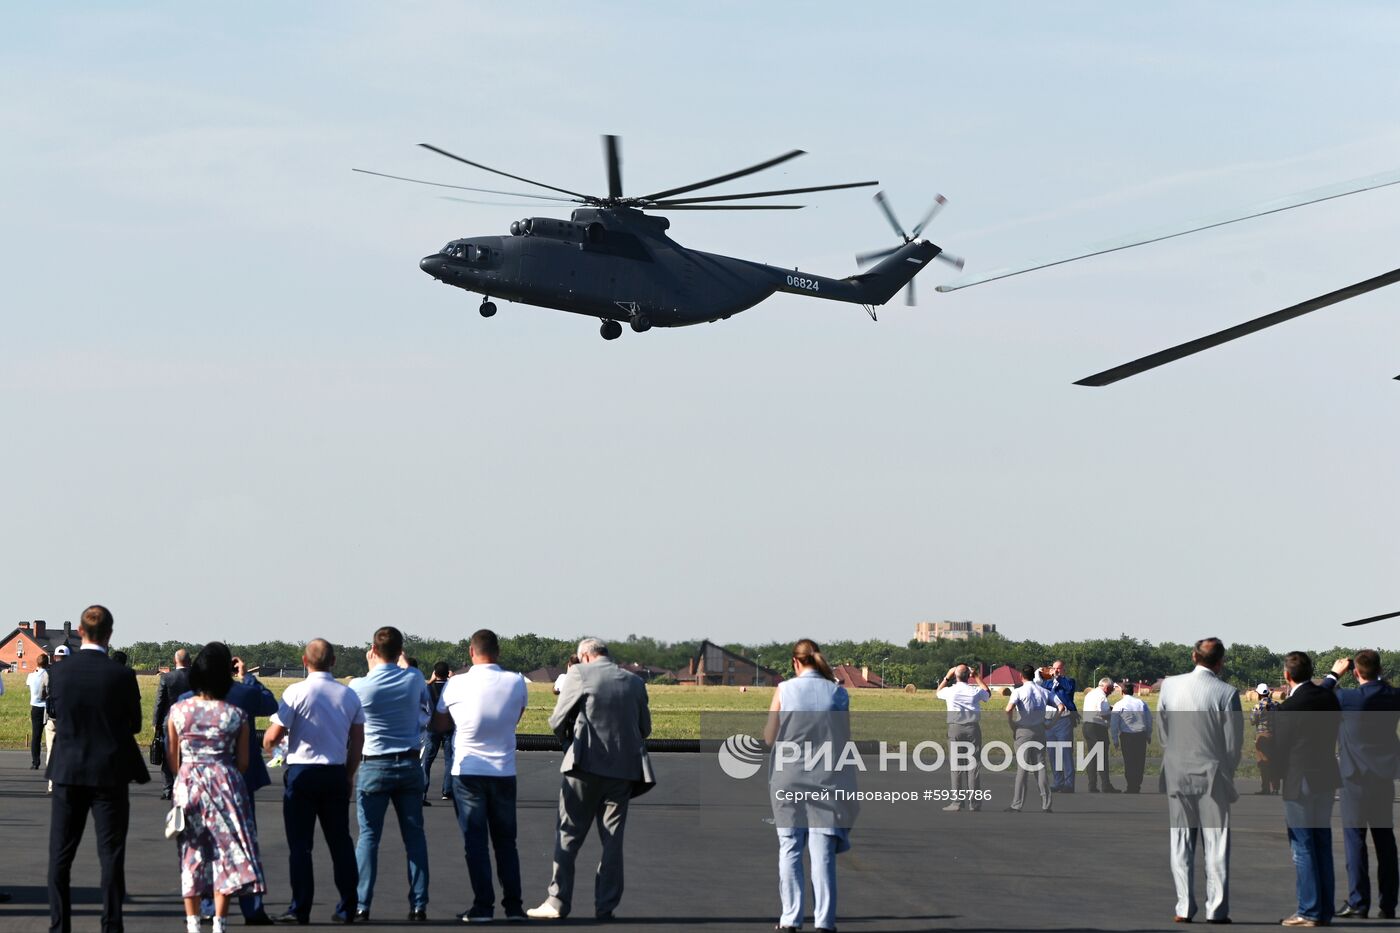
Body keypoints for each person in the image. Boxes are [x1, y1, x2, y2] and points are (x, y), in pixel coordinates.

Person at [527, 637, 653, 921]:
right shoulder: (635, 683)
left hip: (584, 767)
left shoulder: (578, 674)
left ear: (584, 656)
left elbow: (556, 719)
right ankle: (605, 905)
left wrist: (569, 742)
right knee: (612, 840)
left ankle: (557, 900)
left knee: (569, 834)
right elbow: (644, 728)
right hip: (622, 772)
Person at [45, 604, 149, 933]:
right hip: (109, 772)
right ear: (110, 634)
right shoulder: (122, 675)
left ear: (80, 631)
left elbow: (55, 712)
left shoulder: (59, 673)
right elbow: (134, 724)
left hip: (68, 770)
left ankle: (60, 926)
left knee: (60, 856)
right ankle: (111, 925)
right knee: (111, 855)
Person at [262, 639, 365, 925]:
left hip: (302, 773)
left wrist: (277, 749)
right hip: (334, 772)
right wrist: (348, 774)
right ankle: (347, 907)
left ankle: (301, 907)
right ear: (333, 662)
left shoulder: (296, 692)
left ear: (304, 661)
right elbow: (357, 743)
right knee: (340, 842)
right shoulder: (348, 696)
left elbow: (271, 736)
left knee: (300, 846)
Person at [167, 642, 266, 933]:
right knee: (227, 852)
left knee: (192, 853)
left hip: (190, 782)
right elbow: (244, 762)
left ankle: (193, 922)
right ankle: (220, 923)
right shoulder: (236, 714)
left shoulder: (179, 711)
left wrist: (187, 774)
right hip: (226, 782)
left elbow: (174, 759)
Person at [433, 629, 529, 923]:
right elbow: (516, 716)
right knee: (506, 842)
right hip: (503, 770)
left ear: (471, 652)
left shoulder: (456, 683)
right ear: (497, 652)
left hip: (468, 771)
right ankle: (513, 907)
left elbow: (439, 724)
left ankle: (483, 906)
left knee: (475, 842)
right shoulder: (516, 682)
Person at [760, 639, 853, 933]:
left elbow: (769, 737)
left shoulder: (785, 689)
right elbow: (843, 737)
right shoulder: (838, 692)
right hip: (825, 779)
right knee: (822, 851)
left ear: (795, 662)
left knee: (790, 847)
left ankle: (791, 918)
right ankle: (825, 921)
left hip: (788, 777)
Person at [341, 626, 432, 923]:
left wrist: (372, 667)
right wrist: (397, 662)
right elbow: (419, 693)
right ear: (401, 651)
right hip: (407, 764)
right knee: (414, 836)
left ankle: (361, 904)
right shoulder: (414, 678)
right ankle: (419, 904)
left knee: (368, 837)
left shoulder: (359, 686)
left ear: (373, 651)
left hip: (373, 764)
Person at [1157, 637, 1243, 924]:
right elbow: (1233, 743)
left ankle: (1183, 906)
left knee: (1180, 840)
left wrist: (1174, 757)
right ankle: (1216, 909)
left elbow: (1164, 729)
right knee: (1216, 842)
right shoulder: (1227, 693)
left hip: (1177, 771)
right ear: (1220, 662)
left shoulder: (1169, 685)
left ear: (1194, 656)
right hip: (1212, 773)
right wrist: (1226, 770)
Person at [1322, 651, 1400, 920]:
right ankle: (1388, 903)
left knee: (1355, 841)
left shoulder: (1350, 698)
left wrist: (1334, 674)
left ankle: (1359, 901)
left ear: (1356, 672)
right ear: (1379, 669)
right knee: (1385, 841)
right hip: (1383, 777)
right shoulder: (1392, 695)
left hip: (1354, 778)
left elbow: (1321, 695)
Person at [1269, 651, 1342, 928]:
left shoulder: (1289, 707)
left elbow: (1280, 747)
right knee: (1322, 843)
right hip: (1326, 776)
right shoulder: (1329, 698)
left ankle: (1309, 910)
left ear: (1287, 676)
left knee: (1303, 847)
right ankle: (1324, 909)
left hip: (1300, 781)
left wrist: (1275, 777)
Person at [1005, 664, 1065, 813]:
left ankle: (1017, 804)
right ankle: (1046, 803)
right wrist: (1051, 723)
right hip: (1039, 730)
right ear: (1034, 675)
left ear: (1021, 676)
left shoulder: (1018, 691)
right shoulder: (1044, 691)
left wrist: (1012, 724)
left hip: (1023, 729)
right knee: (1040, 766)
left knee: (1022, 768)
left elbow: (1008, 709)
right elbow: (1061, 707)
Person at [936, 663, 990, 811]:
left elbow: (937, 692)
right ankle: (975, 803)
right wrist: (978, 677)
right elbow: (988, 693)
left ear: (956, 676)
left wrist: (948, 676)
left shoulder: (950, 691)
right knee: (973, 766)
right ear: (969, 676)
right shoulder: (974, 690)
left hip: (955, 728)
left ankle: (957, 802)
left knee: (957, 765)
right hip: (972, 728)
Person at [155, 649, 193, 800]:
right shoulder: (196, 678)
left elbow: (160, 702)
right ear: (189, 661)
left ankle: (168, 789)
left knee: (167, 756)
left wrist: (156, 722)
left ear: (174, 660)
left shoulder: (167, 677)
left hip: (169, 721)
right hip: (191, 721)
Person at [420, 661, 454, 807]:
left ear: (435, 672)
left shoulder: (428, 688)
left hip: (432, 727)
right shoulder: (452, 687)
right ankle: (447, 791)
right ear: (448, 673)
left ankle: (422, 790)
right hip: (449, 726)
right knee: (449, 759)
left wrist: (430, 680)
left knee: (427, 760)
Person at [1109, 682, 1152, 794]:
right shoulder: (1141, 703)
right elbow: (1149, 719)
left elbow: (1114, 724)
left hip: (1127, 736)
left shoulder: (1119, 705)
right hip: (1140, 735)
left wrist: (1115, 739)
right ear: (1133, 691)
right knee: (1139, 761)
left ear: (1122, 692)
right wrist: (1148, 734)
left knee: (1129, 761)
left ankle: (1131, 785)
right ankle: (1137, 784)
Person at [1044, 660, 1078, 792]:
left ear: (1064, 669)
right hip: (1049, 721)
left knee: (1065, 752)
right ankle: (1058, 782)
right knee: (1053, 753)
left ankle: (1069, 784)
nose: (1056, 670)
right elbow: (1042, 691)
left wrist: (1058, 678)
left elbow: (1068, 689)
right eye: (1054, 668)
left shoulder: (1069, 681)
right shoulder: (1047, 683)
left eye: (1059, 668)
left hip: (1063, 720)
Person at [1081, 677, 1119, 793]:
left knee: (1093, 756)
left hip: (1087, 725)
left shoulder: (1090, 694)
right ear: (1107, 687)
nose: (1111, 692)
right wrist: (1112, 712)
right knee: (1102, 757)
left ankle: (1092, 784)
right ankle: (1105, 785)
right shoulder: (1102, 696)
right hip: (1097, 727)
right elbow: (1102, 713)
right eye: (1111, 689)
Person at [1251, 683, 1281, 795]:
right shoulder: (1277, 705)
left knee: (1263, 762)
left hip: (1262, 736)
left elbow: (1252, 721)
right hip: (1275, 735)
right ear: (1269, 693)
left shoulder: (1258, 706)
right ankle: (1276, 788)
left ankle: (1265, 788)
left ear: (1258, 694)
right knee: (1274, 761)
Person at [27, 653, 50, 770]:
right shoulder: (48, 674)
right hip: (46, 707)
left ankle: (35, 761)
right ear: (47, 663)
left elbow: (28, 685)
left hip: (35, 707)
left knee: (36, 736)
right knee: (50, 734)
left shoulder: (31, 676)